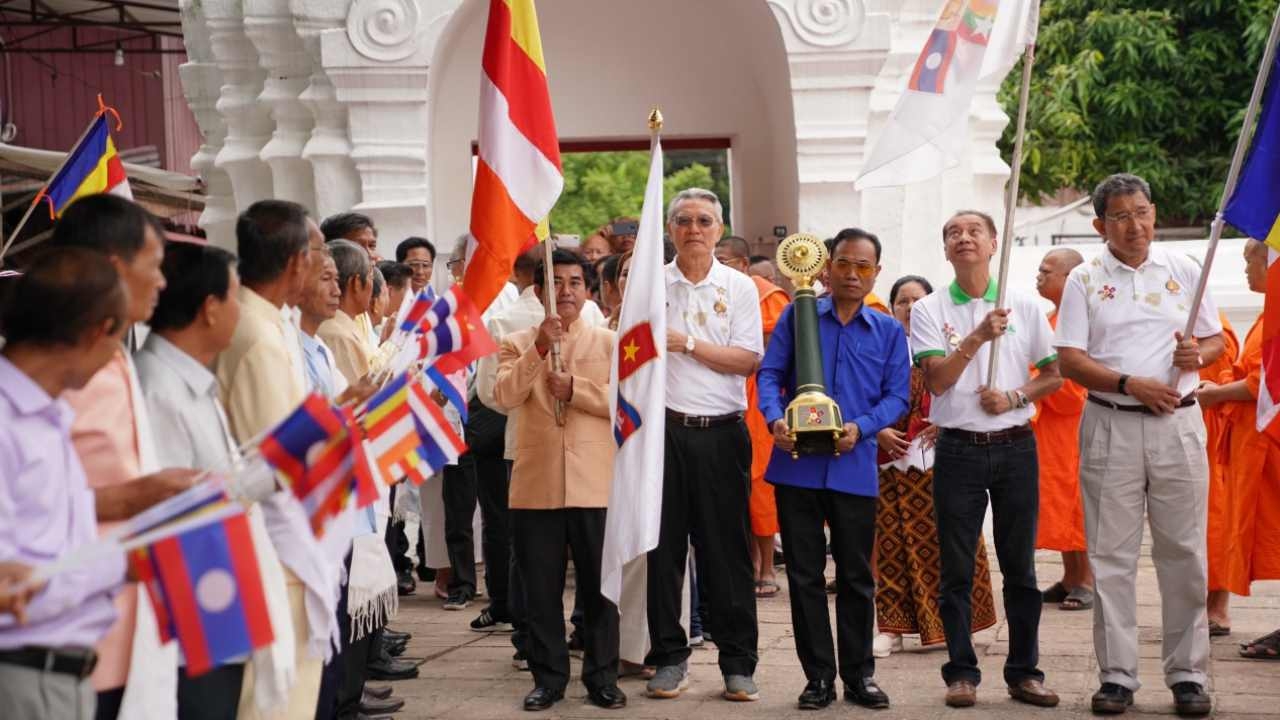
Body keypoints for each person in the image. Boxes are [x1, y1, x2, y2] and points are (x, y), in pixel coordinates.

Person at [1055, 174, 1224, 717]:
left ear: (1155, 213)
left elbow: (1215, 338)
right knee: (1111, 556)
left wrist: (1200, 356)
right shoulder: (1083, 279)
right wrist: (1131, 384)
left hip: (1179, 423)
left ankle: (1188, 675)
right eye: (1122, 216)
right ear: (1100, 224)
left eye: (1143, 212)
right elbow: (1071, 359)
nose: (1136, 225)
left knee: (1184, 552)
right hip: (1112, 422)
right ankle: (1118, 677)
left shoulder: (1184, 270)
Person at [50, 194, 201, 719]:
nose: (162, 283)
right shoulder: (52, 370)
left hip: (136, 617)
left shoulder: (115, 358)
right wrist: (133, 496)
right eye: (154, 267)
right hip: (72, 637)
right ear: (114, 268)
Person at [910, 209, 1062, 710]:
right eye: (953, 232)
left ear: (994, 243)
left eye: (974, 231)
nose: (963, 238)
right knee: (956, 567)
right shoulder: (930, 309)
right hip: (959, 449)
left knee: (1020, 567)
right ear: (946, 249)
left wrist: (1016, 397)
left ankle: (1024, 672)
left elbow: (1053, 374)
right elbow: (936, 381)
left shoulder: (1023, 303)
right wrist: (976, 337)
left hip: (1015, 446)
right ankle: (961, 672)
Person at [758, 228, 910, 710]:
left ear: (876, 274)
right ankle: (817, 677)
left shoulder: (886, 330)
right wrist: (774, 419)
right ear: (826, 267)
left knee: (856, 577)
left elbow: (898, 397)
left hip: (853, 465)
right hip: (796, 467)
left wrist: (861, 428)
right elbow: (769, 374)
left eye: (863, 267)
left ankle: (859, 675)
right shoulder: (796, 314)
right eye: (843, 263)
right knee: (803, 577)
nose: (851, 274)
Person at [0, 249, 132, 720]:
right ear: (99, 331)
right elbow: (15, 583)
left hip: (65, 677)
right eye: (118, 337)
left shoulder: (51, 414)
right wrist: (124, 562)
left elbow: (53, 551)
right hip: (19, 675)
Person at [134, 242, 263, 719]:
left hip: (219, 597)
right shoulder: (156, 387)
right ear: (210, 309)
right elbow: (169, 513)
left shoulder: (193, 381)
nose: (241, 311)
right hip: (193, 614)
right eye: (235, 297)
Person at [492, 249, 625, 712]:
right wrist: (541, 350)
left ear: (587, 291)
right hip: (536, 484)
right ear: (538, 291)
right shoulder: (515, 341)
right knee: (540, 590)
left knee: (600, 588)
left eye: (574, 283)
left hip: (595, 482)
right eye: (556, 283)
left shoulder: (609, 343)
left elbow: (626, 403)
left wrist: (579, 391)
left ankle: (602, 677)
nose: (565, 292)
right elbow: (504, 394)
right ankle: (547, 678)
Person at [645, 188, 763, 703]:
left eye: (704, 221)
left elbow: (746, 360)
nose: (694, 228)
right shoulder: (650, 286)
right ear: (670, 229)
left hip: (721, 433)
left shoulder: (738, 287)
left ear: (719, 229)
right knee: (663, 551)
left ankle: (738, 664)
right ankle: (669, 658)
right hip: (663, 435)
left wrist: (687, 343)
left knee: (726, 554)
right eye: (684, 220)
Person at [215, 199, 329, 718]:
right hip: (274, 554)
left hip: (273, 547)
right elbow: (279, 466)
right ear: (294, 262)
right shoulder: (257, 335)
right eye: (318, 251)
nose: (324, 264)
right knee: (274, 702)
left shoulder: (263, 321)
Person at [872, 275, 998, 658]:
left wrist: (945, 422)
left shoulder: (949, 343)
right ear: (892, 308)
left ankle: (966, 623)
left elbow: (969, 389)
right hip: (890, 461)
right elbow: (860, 394)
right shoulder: (879, 346)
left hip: (944, 459)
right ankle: (891, 629)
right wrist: (877, 432)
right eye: (902, 301)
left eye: (917, 300)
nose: (910, 307)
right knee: (892, 545)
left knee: (956, 542)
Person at [1197, 239, 1280, 661]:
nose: (1246, 269)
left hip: (1270, 444)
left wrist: (1215, 394)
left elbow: (1263, 384)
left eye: (1251, 259)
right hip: (1253, 445)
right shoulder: (1268, 313)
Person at [714, 235, 789, 598]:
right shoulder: (711, 289)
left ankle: (765, 565)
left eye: (725, 260)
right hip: (722, 391)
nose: (718, 265)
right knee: (728, 486)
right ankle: (739, 564)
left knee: (759, 482)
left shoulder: (765, 293)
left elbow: (779, 337)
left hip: (759, 392)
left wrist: (734, 337)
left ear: (743, 265)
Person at [1030, 248, 1094, 612]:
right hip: (1051, 430)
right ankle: (1070, 576)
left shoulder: (1083, 319)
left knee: (1077, 503)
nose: (1039, 276)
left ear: (1071, 279)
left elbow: (1073, 386)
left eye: (1047, 271)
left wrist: (1032, 379)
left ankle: (1086, 580)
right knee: (1057, 503)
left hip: (1073, 426)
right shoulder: (1052, 318)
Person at [1197, 305, 1240, 637]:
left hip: (1213, 433)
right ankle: (1197, 603)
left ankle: (1218, 605)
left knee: (1216, 521)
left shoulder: (1215, 327)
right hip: (1181, 427)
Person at [317, 239, 375, 387]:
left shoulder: (346, 327)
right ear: (356, 283)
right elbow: (357, 403)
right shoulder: (338, 336)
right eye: (371, 277)